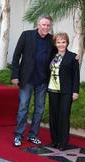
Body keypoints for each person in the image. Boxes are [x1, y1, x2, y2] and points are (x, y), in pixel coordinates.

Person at [11, 15, 54, 147]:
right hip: (27, 79)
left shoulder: (51, 40)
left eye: (48, 25)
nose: (45, 27)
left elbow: (61, 52)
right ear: (38, 24)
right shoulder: (26, 35)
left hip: (42, 80)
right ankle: (18, 135)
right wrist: (15, 75)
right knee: (23, 107)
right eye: (43, 24)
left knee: (39, 109)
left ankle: (33, 135)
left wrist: (75, 57)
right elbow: (16, 55)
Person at [48, 32, 80, 151]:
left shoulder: (73, 57)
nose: (61, 44)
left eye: (63, 42)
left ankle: (63, 142)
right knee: (54, 116)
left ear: (67, 43)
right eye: (58, 42)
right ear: (55, 44)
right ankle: (55, 141)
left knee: (64, 116)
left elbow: (76, 75)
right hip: (52, 90)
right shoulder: (52, 55)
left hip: (66, 91)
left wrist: (75, 91)